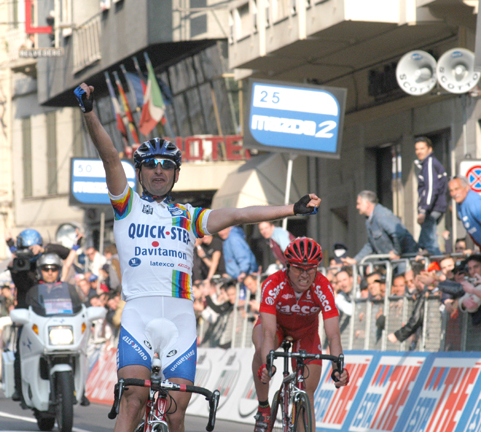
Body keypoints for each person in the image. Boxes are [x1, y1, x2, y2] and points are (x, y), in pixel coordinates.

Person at [74, 83, 322, 432]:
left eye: (166, 166)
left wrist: (291, 208)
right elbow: (110, 156)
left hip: (180, 319)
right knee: (133, 398)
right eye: (150, 165)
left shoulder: (189, 216)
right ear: (140, 172)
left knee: (177, 415)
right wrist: (88, 113)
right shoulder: (126, 205)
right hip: (138, 315)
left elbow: (237, 214)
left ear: (175, 174)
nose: (158, 171)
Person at [254, 238, 349, 432]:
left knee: (307, 394)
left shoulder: (323, 286)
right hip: (277, 328)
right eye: (299, 268)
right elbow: (269, 332)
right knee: (261, 344)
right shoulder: (273, 283)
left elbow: (333, 335)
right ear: (288, 266)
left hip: (306, 333)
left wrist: (338, 367)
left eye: (311, 269)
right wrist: (268, 365)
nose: (305, 275)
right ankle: (263, 406)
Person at [342, 191, 419, 272]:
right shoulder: (369, 220)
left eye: (359, 203)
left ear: (367, 204)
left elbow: (399, 233)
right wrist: (355, 260)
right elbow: (370, 245)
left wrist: (396, 252)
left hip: (405, 259)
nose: (357, 207)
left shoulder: (381, 215)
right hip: (393, 263)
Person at [414, 137, 447, 255]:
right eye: (417, 149)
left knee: (430, 244)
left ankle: (439, 268)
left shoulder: (429, 163)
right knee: (423, 243)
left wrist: (423, 210)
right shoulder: (427, 164)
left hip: (432, 208)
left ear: (430, 149)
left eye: (422, 148)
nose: (419, 152)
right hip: (434, 207)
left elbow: (431, 188)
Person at [449, 176, 481, 249]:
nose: (454, 193)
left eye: (457, 189)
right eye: (451, 191)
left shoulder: (473, 201)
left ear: (466, 188)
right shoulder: (460, 204)